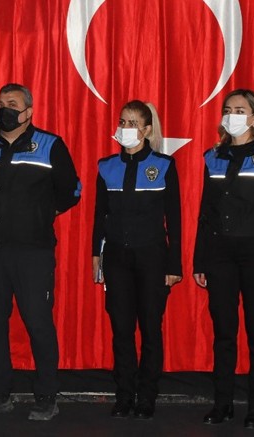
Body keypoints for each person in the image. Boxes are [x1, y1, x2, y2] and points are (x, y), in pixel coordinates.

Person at [0, 83, 81, 421]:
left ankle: (46, 396)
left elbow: (71, 191)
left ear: (28, 111)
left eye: (12, 104)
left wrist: (42, 214)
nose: (5, 109)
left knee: (38, 322)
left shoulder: (49, 144)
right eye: (1, 103)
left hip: (33, 253)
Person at [193, 89, 254, 429]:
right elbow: (205, 213)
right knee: (224, 332)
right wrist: (199, 261)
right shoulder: (213, 156)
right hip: (220, 254)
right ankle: (223, 404)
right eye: (228, 109)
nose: (232, 115)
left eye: (240, 110)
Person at [91, 100, 182, 420]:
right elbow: (99, 216)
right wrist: (96, 255)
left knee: (151, 328)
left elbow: (174, 219)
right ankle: (124, 395)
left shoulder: (164, 165)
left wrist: (174, 265)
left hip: (152, 257)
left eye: (132, 123)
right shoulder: (106, 166)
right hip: (117, 257)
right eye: (122, 122)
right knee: (121, 329)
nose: (125, 128)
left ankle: (147, 396)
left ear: (146, 129)